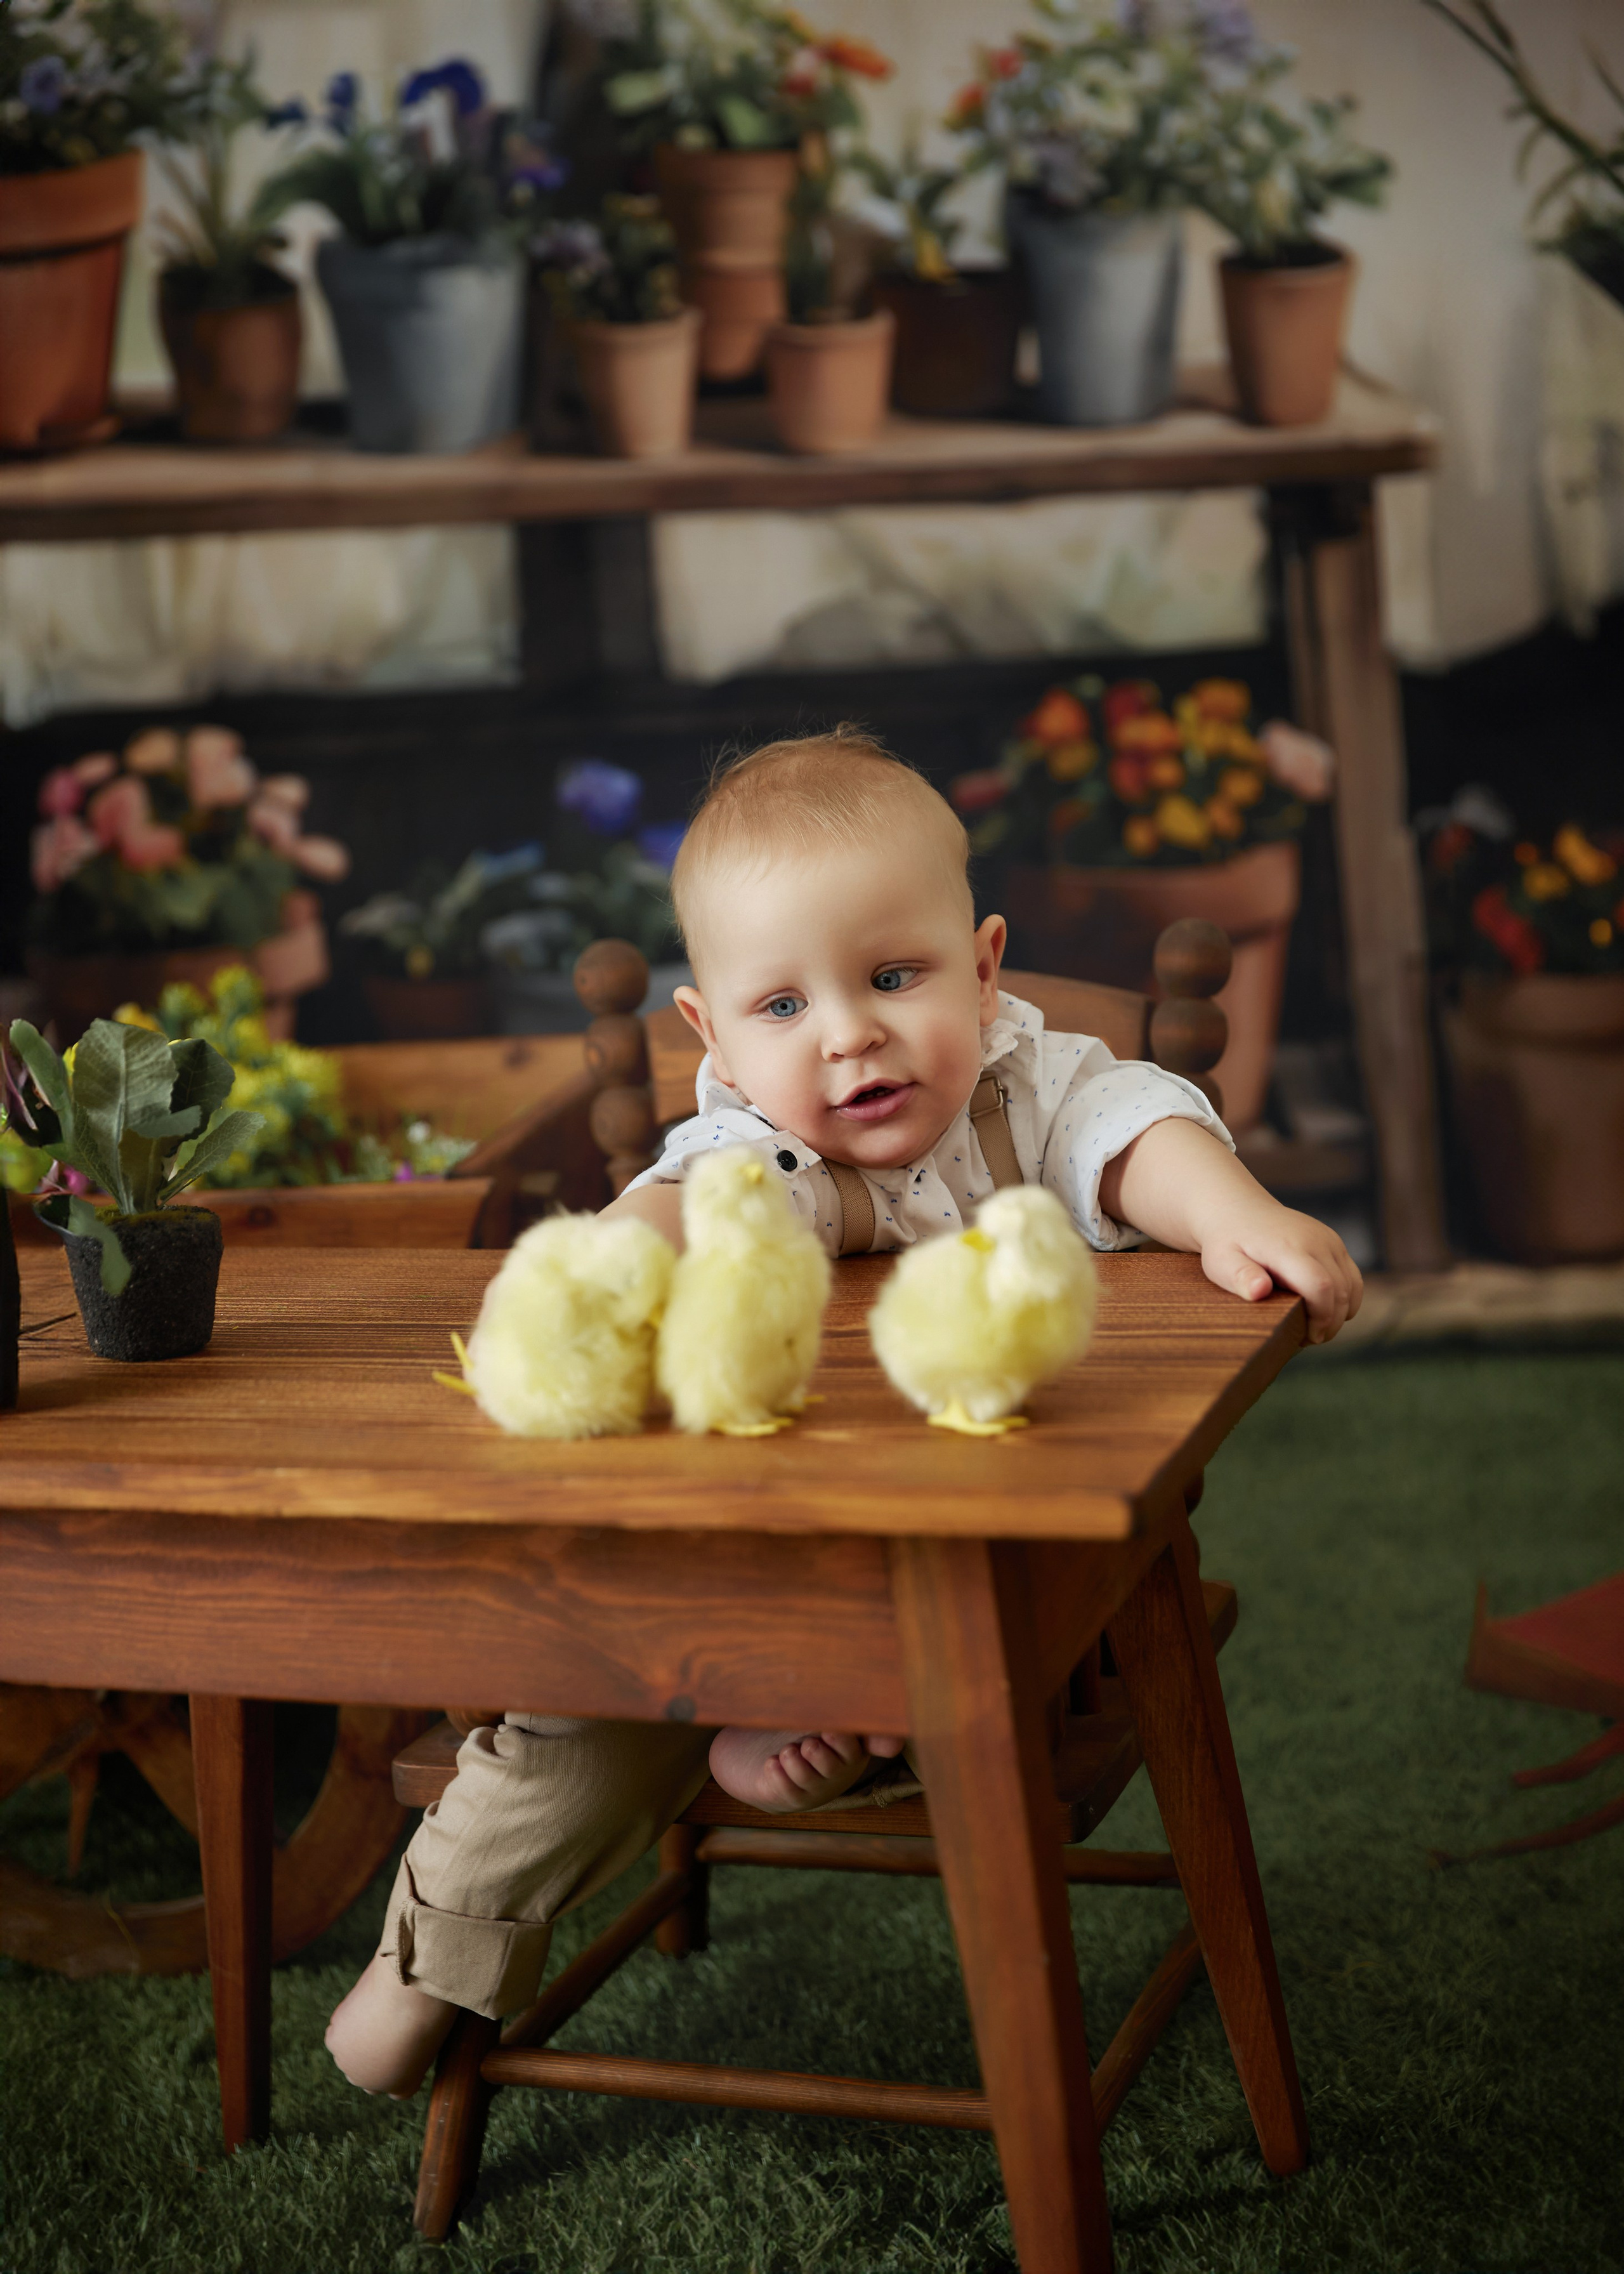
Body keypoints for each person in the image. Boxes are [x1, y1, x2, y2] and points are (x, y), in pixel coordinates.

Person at [326, 728, 1360, 2099]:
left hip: (972, 1580)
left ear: (983, 969)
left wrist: (1234, 1213)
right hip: (717, 1576)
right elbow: (695, 1203)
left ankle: (805, 1717)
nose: (848, 1033)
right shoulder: (763, 1143)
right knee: (571, 1716)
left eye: (891, 977)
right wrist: (613, 1272)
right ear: (713, 1036)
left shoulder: (1027, 1092)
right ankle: (424, 1963)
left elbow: (1131, 1132)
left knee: (962, 1642)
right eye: (782, 1005)